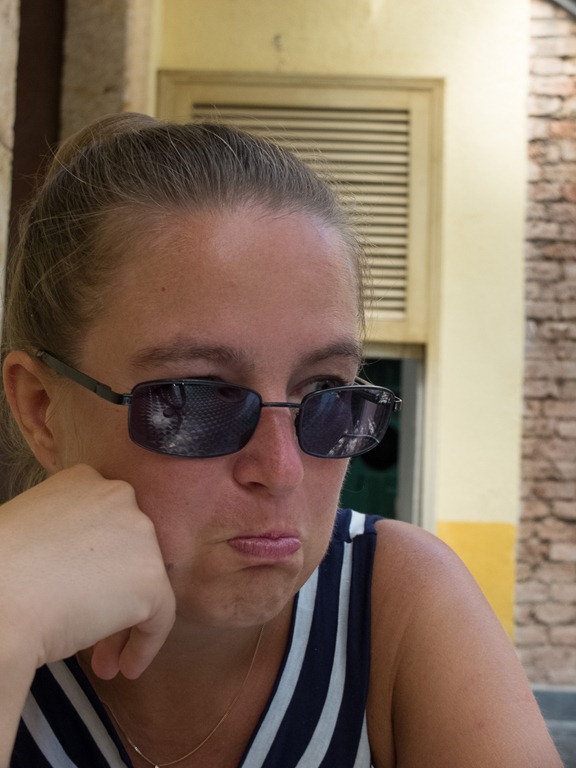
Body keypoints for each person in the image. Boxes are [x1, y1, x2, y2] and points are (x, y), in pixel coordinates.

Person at [0, 114, 562, 768]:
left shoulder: (391, 603)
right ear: (42, 410)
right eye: (197, 396)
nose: (283, 467)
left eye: (325, 390)